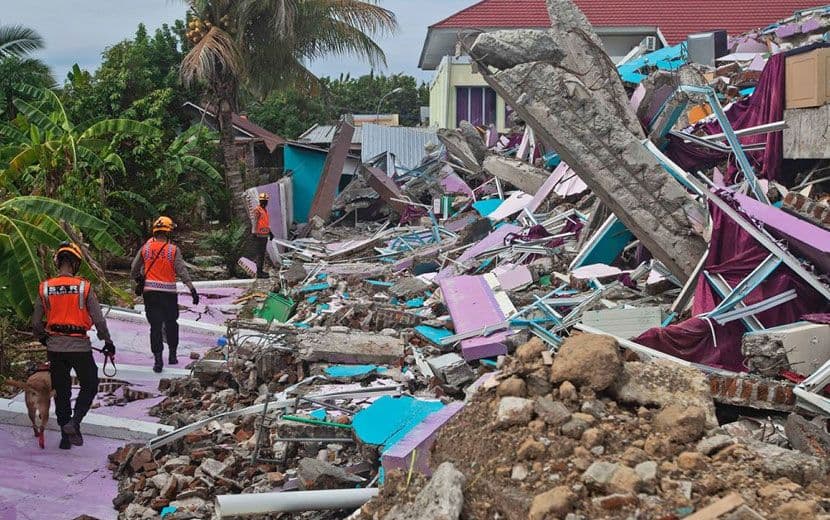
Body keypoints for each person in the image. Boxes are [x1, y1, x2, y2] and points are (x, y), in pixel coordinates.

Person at [32, 242, 116, 449]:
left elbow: (35, 322)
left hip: (55, 347)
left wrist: (43, 338)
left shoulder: (45, 287)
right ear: (76, 263)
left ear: (58, 262)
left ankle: (64, 437)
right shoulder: (84, 287)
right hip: (79, 346)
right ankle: (74, 422)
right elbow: (98, 320)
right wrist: (108, 342)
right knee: (90, 384)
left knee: (62, 390)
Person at [131, 216, 198, 373]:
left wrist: (139, 279)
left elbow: (134, 269)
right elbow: (182, 270)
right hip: (168, 293)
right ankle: (172, 355)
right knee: (171, 323)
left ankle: (158, 361)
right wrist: (192, 289)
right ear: (168, 233)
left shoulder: (145, 249)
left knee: (155, 327)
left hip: (151, 293)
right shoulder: (173, 250)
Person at [251, 192, 274, 279]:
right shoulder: (258, 210)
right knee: (260, 254)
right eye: (263, 201)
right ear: (260, 201)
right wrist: (254, 233)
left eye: (265, 201)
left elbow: (265, 224)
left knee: (262, 254)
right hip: (259, 236)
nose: (264, 202)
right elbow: (255, 222)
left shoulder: (264, 210)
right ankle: (259, 273)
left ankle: (260, 271)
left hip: (264, 236)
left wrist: (270, 232)